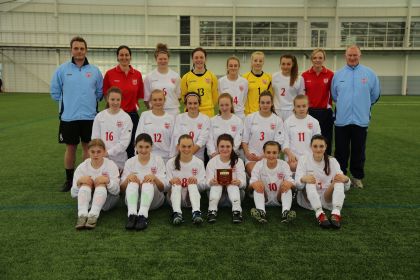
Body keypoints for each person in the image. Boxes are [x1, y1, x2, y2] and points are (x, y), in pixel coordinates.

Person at [50, 36, 103, 192]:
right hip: (69, 117)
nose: (79, 51)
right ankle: (69, 180)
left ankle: (87, 177)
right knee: (70, 148)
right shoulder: (62, 70)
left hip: (89, 117)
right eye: (76, 48)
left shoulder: (94, 71)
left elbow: (100, 92)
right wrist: (68, 103)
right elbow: (55, 92)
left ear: (86, 50)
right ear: (71, 50)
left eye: (82, 48)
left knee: (88, 149)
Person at [331, 45, 380, 188]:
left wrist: (362, 106)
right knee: (341, 150)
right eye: (349, 55)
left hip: (361, 120)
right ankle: (341, 176)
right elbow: (335, 96)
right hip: (341, 120)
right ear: (345, 56)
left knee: (359, 150)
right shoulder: (338, 75)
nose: (352, 58)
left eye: (355, 55)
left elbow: (375, 95)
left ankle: (357, 177)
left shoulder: (370, 74)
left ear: (360, 55)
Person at [295, 135, 351, 229]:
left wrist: (346, 179)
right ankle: (319, 214)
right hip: (308, 200)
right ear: (311, 147)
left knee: (339, 181)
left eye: (321, 146)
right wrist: (303, 179)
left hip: (327, 197)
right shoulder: (303, 159)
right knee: (310, 181)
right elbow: (298, 185)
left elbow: (346, 187)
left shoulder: (332, 161)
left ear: (326, 147)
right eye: (315, 146)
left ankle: (336, 213)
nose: (318, 149)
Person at [103, 45, 144, 159]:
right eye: (121, 55)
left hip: (132, 115)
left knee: (132, 144)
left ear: (130, 57)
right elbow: (106, 94)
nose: (124, 57)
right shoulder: (110, 74)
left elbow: (140, 95)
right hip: (114, 115)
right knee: (115, 143)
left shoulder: (137, 74)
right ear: (117, 57)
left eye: (127, 55)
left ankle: (130, 171)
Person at [120, 133, 167, 231]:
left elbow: (163, 188)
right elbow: (121, 189)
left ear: (151, 147)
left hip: (154, 202)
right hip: (133, 202)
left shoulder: (158, 160)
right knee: (132, 181)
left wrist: (154, 178)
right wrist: (128, 178)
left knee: (148, 182)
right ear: (135, 146)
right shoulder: (130, 162)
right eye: (140, 147)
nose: (143, 150)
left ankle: (143, 216)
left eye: (147, 147)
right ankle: (132, 215)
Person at [71, 139, 120, 230]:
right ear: (88, 152)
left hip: (108, 201)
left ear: (104, 151)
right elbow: (73, 194)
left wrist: (108, 182)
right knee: (85, 183)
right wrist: (79, 183)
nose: (95, 154)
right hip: (87, 201)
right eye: (92, 152)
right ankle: (82, 215)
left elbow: (117, 191)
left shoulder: (111, 165)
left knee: (101, 183)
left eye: (99, 152)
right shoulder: (82, 167)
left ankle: (93, 215)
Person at [249, 141, 296, 224]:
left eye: (274, 152)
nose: (271, 155)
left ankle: (285, 212)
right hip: (265, 197)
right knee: (258, 185)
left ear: (279, 153)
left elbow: (293, 184)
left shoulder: (284, 164)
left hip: (279, 197)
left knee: (286, 185)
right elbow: (250, 186)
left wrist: (289, 183)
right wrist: (254, 184)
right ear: (264, 152)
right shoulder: (259, 165)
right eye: (268, 152)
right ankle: (261, 211)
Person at [166, 134, 206, 225]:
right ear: (178, 147)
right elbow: (165, 186)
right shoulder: (170, 163)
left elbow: (204, 185)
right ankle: (177, 213)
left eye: (189, 146)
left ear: (193, 147)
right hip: (174, 198)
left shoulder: (199, 162)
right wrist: (171, 181)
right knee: (176, 184)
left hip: (191, 199)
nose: (186, 149)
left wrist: (196, 181)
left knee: (191, 184)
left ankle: (196, 212)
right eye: (183, 146)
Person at [206, 134, 246, 224]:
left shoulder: (238, 161)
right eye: (222, 146)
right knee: (217, 184)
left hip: (236, 196)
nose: (225, 149)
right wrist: (211, 182)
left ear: (232, 147)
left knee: (232, 184)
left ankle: (237, 211)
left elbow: (244, 184)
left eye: (228, 146)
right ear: (217, 147)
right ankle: (212, 210)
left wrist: (239, 182)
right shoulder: (212, 162)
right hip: (216, 198)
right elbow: (206, 184)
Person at [242, 91, 284, 176]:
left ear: (272, 103)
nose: (265, 105)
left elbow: (278, 143)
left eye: (268, 103)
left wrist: (264, 156)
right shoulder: (250, 118)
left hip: (270, 156)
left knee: (268, 174)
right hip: (252, 157)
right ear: (259, 103)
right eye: (262, 102)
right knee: (255, 172)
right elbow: (244, 140)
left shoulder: (277, 120)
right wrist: (248, 154)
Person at [302, 48, 334, 155]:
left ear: (324, 59)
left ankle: (326, 163)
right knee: (310, 139)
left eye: (320, 58)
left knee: (325, 139)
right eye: (315, 58)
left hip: (325, 112)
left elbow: (334, 93)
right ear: (311, 59)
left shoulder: (330, 75)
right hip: (309, 112)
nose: (317, 60)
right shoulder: (305, 75)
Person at [91, 87, 133, 170]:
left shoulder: (126, 118)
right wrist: (101, 152)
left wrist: (108, 153)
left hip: (119, 160)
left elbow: (124, 143)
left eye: (118, 100)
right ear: (107, 99)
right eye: (112, 99)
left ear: (121, 100)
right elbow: (95, 139)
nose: (115, 102)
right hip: (101, 158)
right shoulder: (99, 117)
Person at [283, 95, 321, 172]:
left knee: (313, 167)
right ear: (294, 107)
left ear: (308, 106)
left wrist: (313, 157)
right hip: (293, 158)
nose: (301, 109)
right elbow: (284, 143)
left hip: (310, 157)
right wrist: (289, 154)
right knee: (294, 166)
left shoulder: (314, 122)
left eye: (304, 106)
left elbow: (318, 143)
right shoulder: (288, 122)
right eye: (298, 106)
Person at [136, 89, 175, 163]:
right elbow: (138, 136)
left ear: (164, 100)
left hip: (165, 158)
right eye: (155, 100)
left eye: (160, 99)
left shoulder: (171, 118)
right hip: (147, 156)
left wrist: (171, 159)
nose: (158, 102)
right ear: (150, 101)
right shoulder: (145, 115)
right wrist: (139, 154)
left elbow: (174, 140)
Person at [170, 92, 210, 162]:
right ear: (186, 104)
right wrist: (183, 155)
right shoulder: (179, 118)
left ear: (199, 104)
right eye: (190, 103)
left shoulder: (205, 119)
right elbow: (176, 137)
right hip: (180, 156)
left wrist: (188, 155)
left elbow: (201, 140)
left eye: (195, 103)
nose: (192, 106)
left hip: (198, 158)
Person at [143, 43, 181, 116]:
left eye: (165, 59)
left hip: (173, 112)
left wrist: (170, 104)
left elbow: (178, 97)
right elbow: (147, 99)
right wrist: (152, 109)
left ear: (168, 59)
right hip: (156, 112)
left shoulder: (176, 76)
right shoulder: (149, 77)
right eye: (160, 59)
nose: (162, 61)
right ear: (156, 59)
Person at [181, 47, 218, 117]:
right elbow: (184, 97)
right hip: (191, 112)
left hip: (208, 113)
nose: (199, 60)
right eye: (196, 57)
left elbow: (215, 97)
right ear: (192, 59)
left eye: (201, 57)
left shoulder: (212, 76)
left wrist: (206, 106)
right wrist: (192, 106)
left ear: (205, 59)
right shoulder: (186, 77)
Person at [206, 93, 243, 158]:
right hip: (214, 156)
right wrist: (213, 153)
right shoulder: (211, 121)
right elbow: (209, 140)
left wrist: (227, 153)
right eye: (221, 105)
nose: (224, 108)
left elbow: (237, 141)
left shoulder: (238, 121)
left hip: (232, 156)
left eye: (227, 105)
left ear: (231, 105)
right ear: (218, 106)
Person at [272, 54, 305, 121]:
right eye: (283, 64)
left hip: (291, 111)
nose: (285, 66)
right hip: (277, 110)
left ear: (293, 64)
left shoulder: (299, 79)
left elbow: (301, 97)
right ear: (280, 64)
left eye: (288, 64)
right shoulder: (274, 76)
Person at [243, 51, 273, 115]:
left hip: (264, 113)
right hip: (249, 113)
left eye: (260, 61)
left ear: (263, 62)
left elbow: (271, 97)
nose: (258, 63)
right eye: (255, 60)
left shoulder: (269, 78)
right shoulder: (245, 77)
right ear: (251, 62)